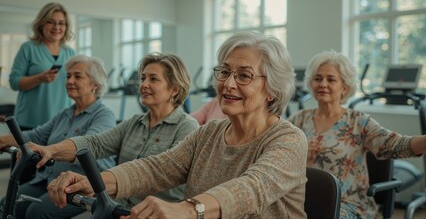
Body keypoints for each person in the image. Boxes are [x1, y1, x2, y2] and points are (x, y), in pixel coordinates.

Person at [45, 31, 308, 219]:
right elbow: (156, 168)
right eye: (225, 72)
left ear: (272, 89)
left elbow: (251, 188)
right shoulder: (210, 133)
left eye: (244, 76)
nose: (228, 83)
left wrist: (188, 209)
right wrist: (94, 182)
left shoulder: (288, 140)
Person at [27, 52, 199, 210]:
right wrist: (51, 150)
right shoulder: (134, 123)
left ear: (174, 89)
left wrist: (94, 182)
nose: (144, 85)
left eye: (153, 79)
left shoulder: (187, 127)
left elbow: (160, 172)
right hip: (118, 207)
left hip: (154, 212)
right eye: (143, 78)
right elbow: (95, 143)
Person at [287, 50, 426, 219]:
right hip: (303, 200)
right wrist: (302, 157)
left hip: (349, 205)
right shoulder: (298, 120)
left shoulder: (357, 122)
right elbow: (280, 158)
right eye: (318, 78)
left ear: (344, 87)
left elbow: (395, 144)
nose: (323, 84)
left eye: (330, 79)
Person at [0, 55, 116, 219]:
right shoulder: (65, 113)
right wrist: (3, 140)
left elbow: (89, 147)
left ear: (95, 85)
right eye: (68, 76)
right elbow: (35, 136)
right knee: (6, 204)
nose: (70, 81)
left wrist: (50, 150)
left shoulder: (104, 116)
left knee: (35, 213)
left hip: (81, 185)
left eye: (77, 76)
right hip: (49, 179)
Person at [9, 2, 76, 130]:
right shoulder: (28, 48)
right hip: (30, 121)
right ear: (41, 24)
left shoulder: (70, 53)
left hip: (61, 122)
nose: (57, 27)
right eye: (51, 22)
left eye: (61, 23)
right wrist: (39, 78)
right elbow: (14, 82)